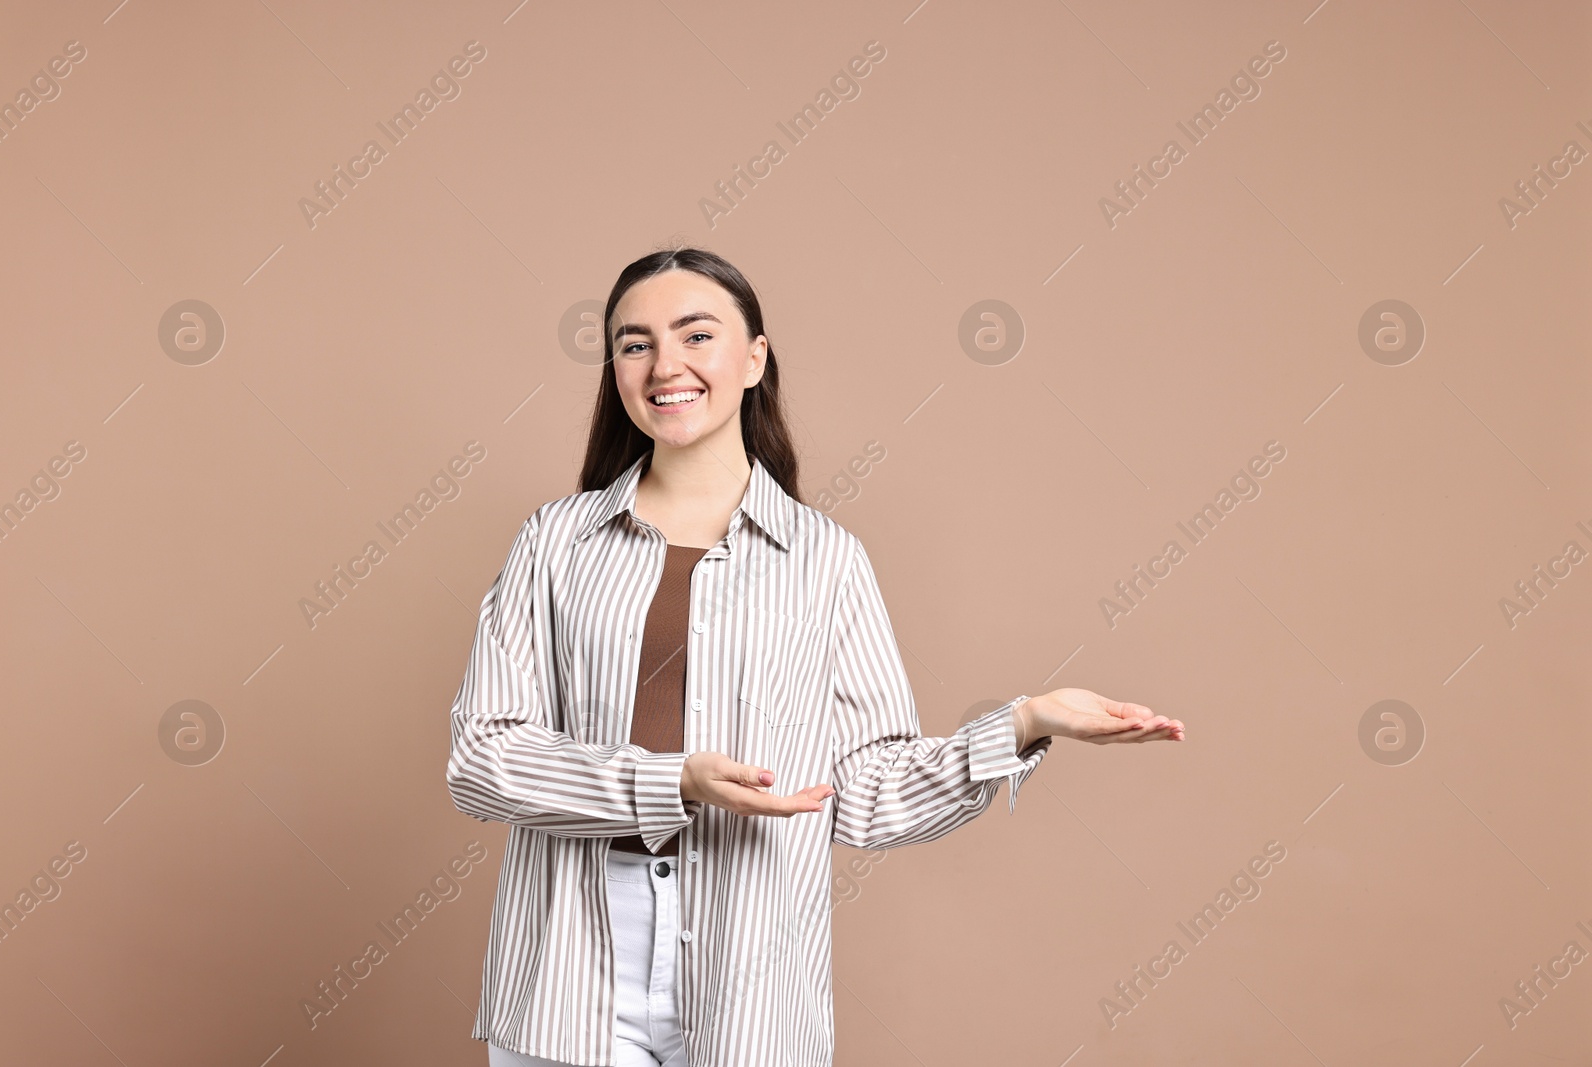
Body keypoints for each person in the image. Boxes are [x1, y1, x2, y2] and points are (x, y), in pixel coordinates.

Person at [446, 247, 1186, 1067]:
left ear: (754, 358)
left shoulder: (826, 559)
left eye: (697, 336)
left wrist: (1020, 724)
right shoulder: (555, 542)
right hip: (568, 969)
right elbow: (483, 759)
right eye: (635, 343)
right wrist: (674, 781)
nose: (666, 366)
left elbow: (865, 792)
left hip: (754, 982)